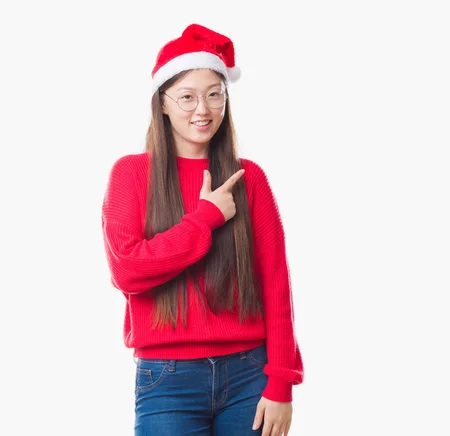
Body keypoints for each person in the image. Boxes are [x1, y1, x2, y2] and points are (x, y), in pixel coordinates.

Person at [101, 23, 304, 436]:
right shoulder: (131, 174)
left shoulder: (252, 179)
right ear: (162, 103)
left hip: (250, 376)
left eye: (215, 95)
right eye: (188, 97)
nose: (203, 109)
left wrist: (281, 383)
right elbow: (128, 271)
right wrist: (206, 218)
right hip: (167, 381)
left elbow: (276, 283)